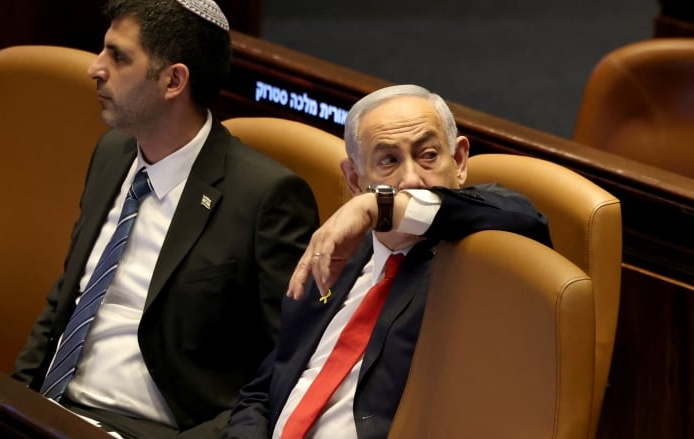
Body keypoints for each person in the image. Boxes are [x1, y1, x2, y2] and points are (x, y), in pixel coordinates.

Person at [11, 1, 320, 438]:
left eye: (118, 57)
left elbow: (284, 372)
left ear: (174, 80)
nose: (94, 69)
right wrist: (10, 400)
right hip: (50, 411)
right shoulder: (112, 153)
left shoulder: (265, 198)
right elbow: (68, 298)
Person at [221, 84, 552, 439]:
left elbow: (524, 216)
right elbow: (265, 388)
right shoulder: (335, 258)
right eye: (388, 161)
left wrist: (380, 207)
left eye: (427, 155)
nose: (410, 179)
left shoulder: (478, 259)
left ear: (458, 162)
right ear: (353, 179)